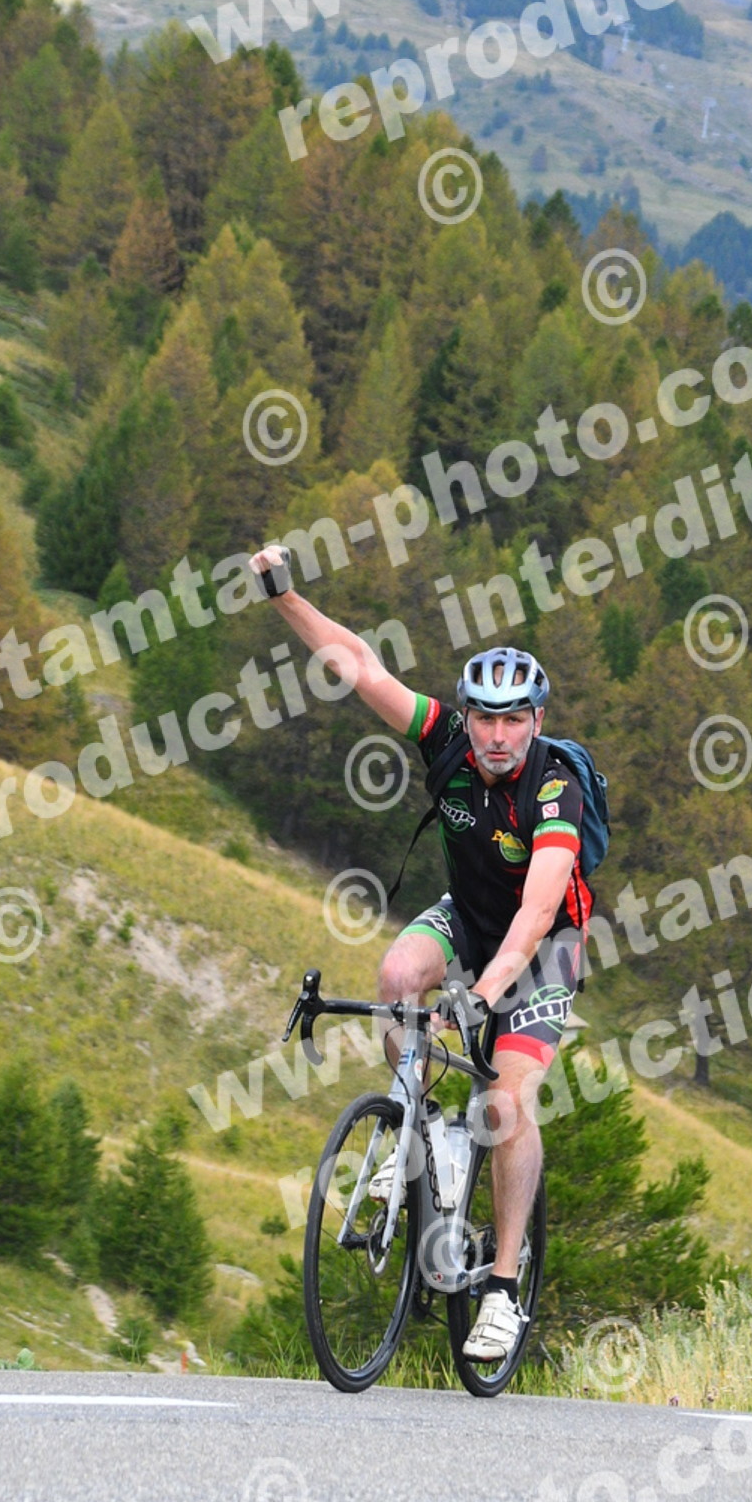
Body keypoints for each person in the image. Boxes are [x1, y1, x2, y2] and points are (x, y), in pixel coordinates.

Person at [247, 543, 592, 1363]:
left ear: (538, 719)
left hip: (543, 946)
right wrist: (283, 596)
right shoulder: (446, 742)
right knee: (397, 974)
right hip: (467, 917)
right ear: (466, 717)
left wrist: (487, 992)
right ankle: (419, 1126)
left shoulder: (554, 786)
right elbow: (359, 665)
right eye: (486, 718)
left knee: (506, 1101)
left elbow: (539, 909)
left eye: (514, 719)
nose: (498, 735)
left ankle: (501, 1288)